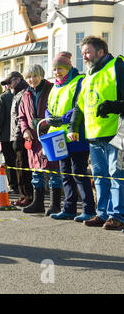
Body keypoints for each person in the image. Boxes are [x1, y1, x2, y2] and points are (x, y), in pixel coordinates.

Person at [68, 36, 124, 230]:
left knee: (116, 174)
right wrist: (73, 127)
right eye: (82, 52)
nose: (83, 55)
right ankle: (102, 213)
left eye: (87, 51)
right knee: (99, 176)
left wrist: (114, 106)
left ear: (101, 52)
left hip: (117, 134)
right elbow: (79, 106)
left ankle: (118, 215)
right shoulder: (87, 76)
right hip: (94, 136)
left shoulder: (117, 66)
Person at [45, 52, 96, 222]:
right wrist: (49, 117)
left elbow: (78, 107)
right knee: (65, 173)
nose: (57, 72)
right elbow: (49, 106)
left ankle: (89, 209)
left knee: (78, 173)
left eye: (60, 68)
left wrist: (61, 119)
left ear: (68, 67)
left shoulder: (78, 82)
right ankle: (69, 209)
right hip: (58, 136)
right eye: (54, 69)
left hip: (76, 135)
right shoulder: (55, 86)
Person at [19, 65, 63, 215]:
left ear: (42, 75)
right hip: (33, 137)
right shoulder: (25, 94)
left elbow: (57, 110)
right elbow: (22, 116)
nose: (32, 80)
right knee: (36, 171)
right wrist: (25, 130)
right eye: (29, 77)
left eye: (35, 76)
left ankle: (55, 205)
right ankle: (38, 203)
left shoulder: (52, 89)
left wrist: (46, 123)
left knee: (54, 170)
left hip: (50, 135)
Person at [6, 72, 34, 207]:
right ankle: (24, 195)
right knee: (19, 167)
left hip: (21, 135)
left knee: (23, 167)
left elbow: (20, 118)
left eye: (9, 82)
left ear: (17, 80)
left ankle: (27, 196)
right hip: (17, 135)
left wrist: (17, 136)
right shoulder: (17, 94)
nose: (8, 86)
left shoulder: (23, 93)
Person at [0, 78, 19, 194]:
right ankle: (22, 186)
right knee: (20, 161)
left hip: (6, 135)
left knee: (10, 162)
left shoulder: (3, 97)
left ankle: (13, 185)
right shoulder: (25, 94)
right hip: (20, 135)